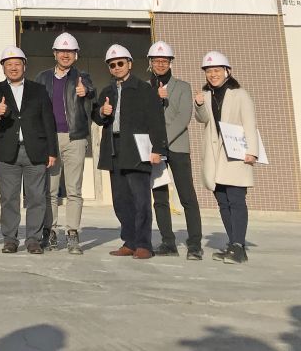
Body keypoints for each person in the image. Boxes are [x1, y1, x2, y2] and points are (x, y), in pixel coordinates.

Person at [91, 44, 166, 260]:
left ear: (130, 64)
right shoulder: (107, 91)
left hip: (137, 150)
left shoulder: (144, 90)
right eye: (112, 65)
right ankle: (129, 241)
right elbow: (96, 118)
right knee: (121, 200)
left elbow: (156, 122)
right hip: (114, 149)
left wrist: (158, 150)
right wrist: (102, 112)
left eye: (120, 63)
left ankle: (143, 244)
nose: (116, 67)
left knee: (140, 200)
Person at [0, 47, 58, 255]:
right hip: (8, 151)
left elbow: (48, 121)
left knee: (36, 197)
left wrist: (52, 151)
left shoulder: (38, 89)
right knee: (9, 198)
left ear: (24, 66)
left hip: (35, 150)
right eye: (9, 64)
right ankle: (10, 239)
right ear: (3, 68)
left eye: (17, 64)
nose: (13, 68)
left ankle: (33, 239)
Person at [194, 51, 259, 265]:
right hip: (215, 156)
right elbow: (202, 120)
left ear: (227, 71)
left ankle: (238, 246)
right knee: (223, 202)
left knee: (236, 200)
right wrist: (199, 104)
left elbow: (250, 123)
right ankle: (233, 244)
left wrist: (252, 151)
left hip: (237, 155)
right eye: (209, 71)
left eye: (216, 70)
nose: (212, 74)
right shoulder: (206, 94)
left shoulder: (240, 94)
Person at [35, 32, 95, 255]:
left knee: (74, 190)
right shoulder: (42, 78)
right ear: (54, 54)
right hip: (49, 139)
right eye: (62, 51)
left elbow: (92, 92)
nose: (65, 55)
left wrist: (85, 91)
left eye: (70, 52)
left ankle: (72, 233)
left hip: (74, 138)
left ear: (76, 55)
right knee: (49, 190)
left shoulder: (82, 77)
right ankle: (49, 231)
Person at [147, 41, 203, 260]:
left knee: (187, 196)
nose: (161, 64)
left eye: (164, 61)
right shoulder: (145, 87)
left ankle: (195, 244)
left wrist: (161, 141)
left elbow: (183, 118)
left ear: (170, 63)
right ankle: (168, 242)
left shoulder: (183, 87)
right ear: (150, 63)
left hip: (177, 147)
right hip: (155, 151)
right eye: (156, 61)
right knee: (159, 197)